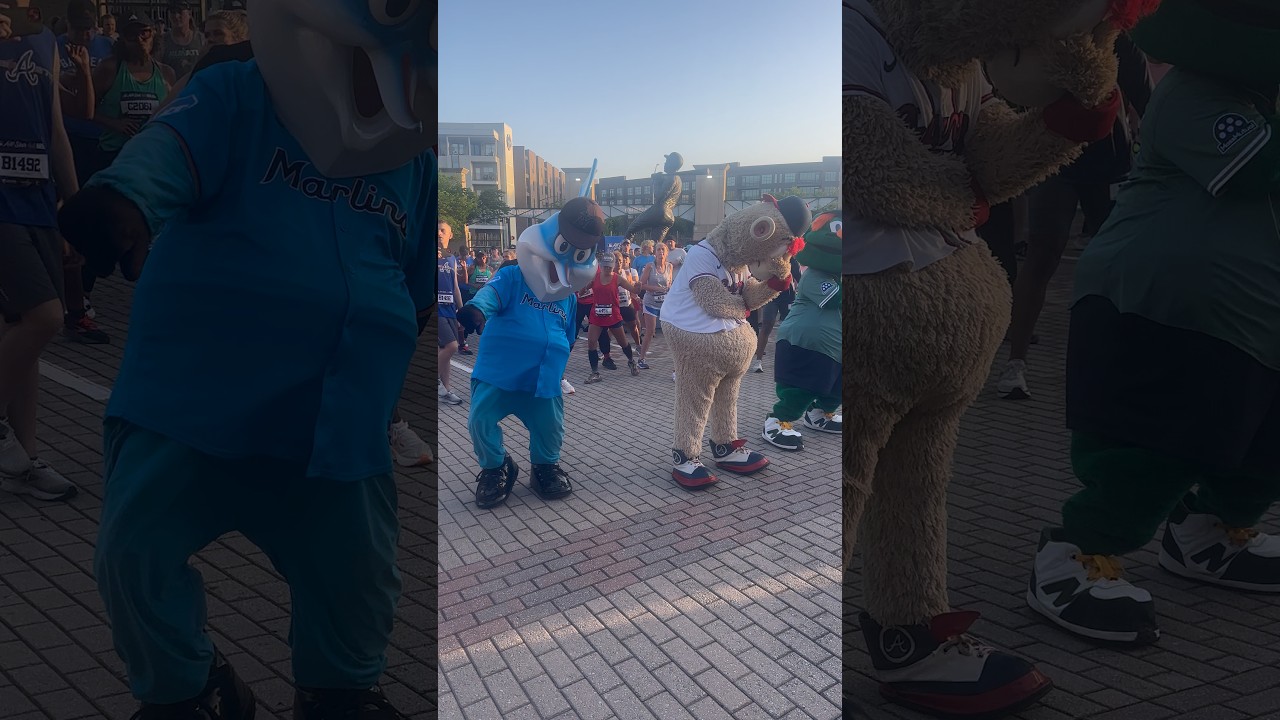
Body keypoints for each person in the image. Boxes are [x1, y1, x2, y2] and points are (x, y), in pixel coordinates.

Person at [57, 0, 434, 713]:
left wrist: (385, 363)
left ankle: (340, 692)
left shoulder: (411, 161)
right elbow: (165, 154)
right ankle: (190, 688)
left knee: (358, 577)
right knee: (134, 557)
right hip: (199, 406)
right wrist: (123, 204)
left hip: (336, 429)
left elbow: (413, 287)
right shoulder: (237, 95)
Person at [998, 33, 1153, 399]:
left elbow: (1147, 97)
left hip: (1107, 158)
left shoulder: (1115, 34)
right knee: (1042, 258)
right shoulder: (1044, 30)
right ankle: (1015, 364)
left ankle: (1115, 362)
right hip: (1058, 155)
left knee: (1114, 264)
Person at [0, 6, 79, 502]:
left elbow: (55, 131)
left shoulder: (45, 41)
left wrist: (76, 207)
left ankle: (23, 459)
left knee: (24, 334)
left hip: (38, 203)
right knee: (44, 318)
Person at [81, 12, 173, 322]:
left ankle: (156, 298)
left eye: (145, 33)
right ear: (123, 39)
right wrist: (115, 123)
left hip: (148, 166)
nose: (140, 40)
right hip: (112, 159)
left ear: (154, 35)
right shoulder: (111, 69)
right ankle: (82, 295)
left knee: (152, 233)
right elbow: (85, 109)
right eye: (133, 35)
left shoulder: (166, 73)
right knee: (103, 230)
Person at [55, 0, 111, 344]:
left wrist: (85, 74)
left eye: (89, 29)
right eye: (78, 29)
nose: (84, 35)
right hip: (57, 139)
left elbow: (88, 109)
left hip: (85, 144)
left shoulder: (104, 48)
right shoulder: (50, 46)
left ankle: (76, 308)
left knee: (76, 228)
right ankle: (71, 308)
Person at [584, 252, 639, 383]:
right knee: (591, 342)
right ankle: (594, 373)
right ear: (601, 266)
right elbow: (582, 291)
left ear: (613, 266)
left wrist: (638, 287)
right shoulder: (595, 277)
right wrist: (583, 288)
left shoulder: (618, 278)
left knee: (623, 342)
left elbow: (634, 290)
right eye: (605, 267)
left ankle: (631, 361)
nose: (607, 269)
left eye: (610, 267)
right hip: (597, 315)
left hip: (613, 315)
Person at [438, 222, 465, 405]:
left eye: (443, 230)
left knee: (446, 353)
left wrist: (462, 312)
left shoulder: (451, 259)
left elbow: (455, 287)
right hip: (436, 309)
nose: (439, 233)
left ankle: (445, 390)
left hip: (449, 309)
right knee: (452, 346)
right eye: (437, 230)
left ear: (450, 235)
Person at [636, 240, 672, 369]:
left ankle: (676, 361)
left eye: (663, 250)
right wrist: (655, 288)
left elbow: (669, 283)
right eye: (658, 250)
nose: (661, 252)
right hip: (650, 302)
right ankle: (641, 359)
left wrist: (669, 288)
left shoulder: (669, 266)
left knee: (670, 331)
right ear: (655, 253)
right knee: (650, 331)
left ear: (666, 253)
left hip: (664, 303)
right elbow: (642, 284)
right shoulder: (649, 266)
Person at [157, 2, 205, 78]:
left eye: (180, 12)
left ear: (189, 13)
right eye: (173, 12)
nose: (176, 16)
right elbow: (157, 70)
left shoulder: (201, 39)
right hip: (173, 88)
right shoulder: (162, 41)